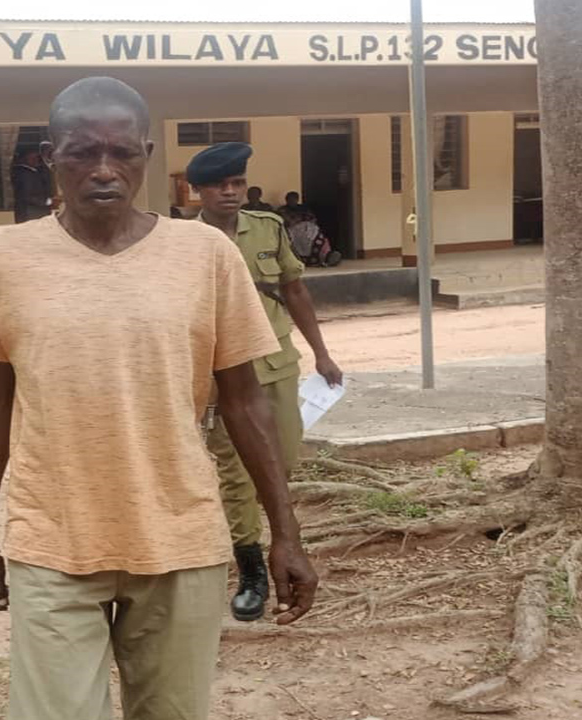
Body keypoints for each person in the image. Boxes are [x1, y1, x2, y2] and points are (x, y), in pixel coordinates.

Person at [0, 77, 317, 720]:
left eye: (122, 152)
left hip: (179, 538)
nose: (104, 170)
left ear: (146, 155)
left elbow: (246, 402)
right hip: (53, 540)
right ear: (51, 157)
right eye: (82, 153)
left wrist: (284, 534)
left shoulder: (205, 254)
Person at [188, 142, 343, 622]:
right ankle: (251, 569)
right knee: (236, 472)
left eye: (237, 183)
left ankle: (282, 540)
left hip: (275, 363)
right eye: (218, 185)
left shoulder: (268, 227)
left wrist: (321, 352)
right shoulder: (183, 241)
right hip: (220, 373)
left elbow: (294, 289)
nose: (230, 192)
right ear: (198, 192)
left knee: (282, 459)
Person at [11, 148, 53, 224]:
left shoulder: (34, 171)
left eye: (37, 158)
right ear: (24, 159)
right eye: (32, 158)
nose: (36, 160)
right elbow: (26, 195)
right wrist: (48, 201)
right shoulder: (24, 174)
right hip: (31, 212)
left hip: (32, 211)